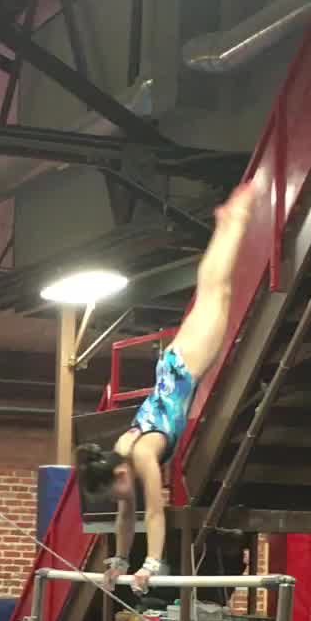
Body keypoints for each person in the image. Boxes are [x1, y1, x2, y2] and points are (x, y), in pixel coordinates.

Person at [76, 182, 257, 592]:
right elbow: (126, 518)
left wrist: (150, 566)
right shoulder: (121, 453)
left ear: (119, 473)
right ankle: (228, 225)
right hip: (173, 366)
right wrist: (119, 562)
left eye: (116, 489)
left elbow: (155, 512)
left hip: (184, 369)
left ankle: (233, 222)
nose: (120, 498)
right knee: (214, 294)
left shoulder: (140, 453)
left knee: (218, 292)